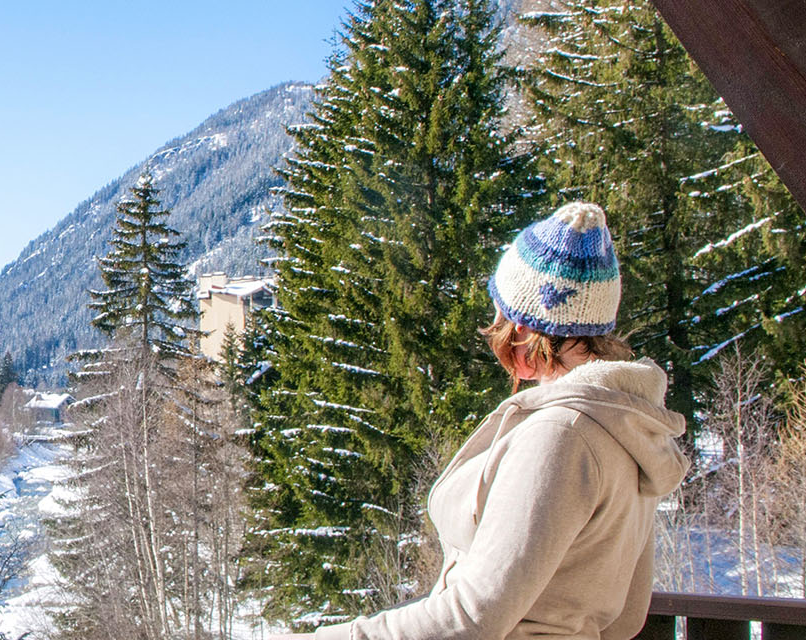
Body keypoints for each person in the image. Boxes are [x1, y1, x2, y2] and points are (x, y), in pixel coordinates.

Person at [275, 202, 692, 640]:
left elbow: (471, 618)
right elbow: (627, 615)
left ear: (525, 327)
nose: (494, 328)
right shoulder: (628, 422)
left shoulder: (562, 434)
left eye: (501, 314)